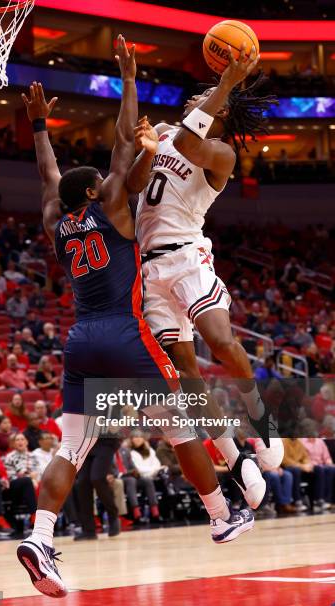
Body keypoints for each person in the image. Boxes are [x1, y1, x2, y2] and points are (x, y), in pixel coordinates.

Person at [17, 41, 253, 599]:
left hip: (79, 343)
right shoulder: (116, 207)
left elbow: (49, 179)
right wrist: (128, 78)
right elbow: (127, 142)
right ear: (95, 191)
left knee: (69, 447)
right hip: (127, 336)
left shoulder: (57, 221)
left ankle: (40, 534)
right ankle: (220, 513)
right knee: (182, 425)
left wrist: (39, 129)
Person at [126, 44, 282, 502]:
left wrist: (229, 83)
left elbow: (190, 145)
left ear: (223, 112)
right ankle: (236, 457)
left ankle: (261, 419)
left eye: (210, 95)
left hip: (188, 255)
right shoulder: (163, 130)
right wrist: (147, 153)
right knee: (185, 370)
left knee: (219, 339)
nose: (198, 96)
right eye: (202, 92)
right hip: (150, 267)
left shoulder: (221, 154)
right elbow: (135, 185)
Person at [3, 433, 39, 516]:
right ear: (14, 444)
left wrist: (35, 478)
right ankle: (34, 515)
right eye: (17, 440)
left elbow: (39, 471)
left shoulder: (33, 456)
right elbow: (10, 476)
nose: (20, 442)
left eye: (22, 439)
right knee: (27, 481)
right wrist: (30, 477)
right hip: (16, 487)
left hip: (35, 482)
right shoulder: (9, 457)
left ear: (26, 442)